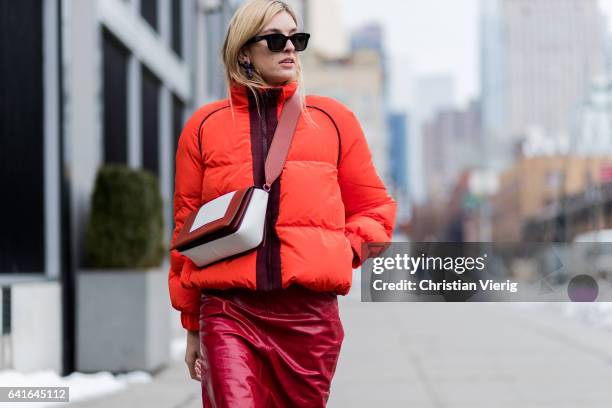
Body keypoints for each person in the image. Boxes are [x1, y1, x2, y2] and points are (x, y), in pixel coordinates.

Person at [168, 0, 397, 406]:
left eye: (297, 39)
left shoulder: (333, 120)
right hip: (230, 313)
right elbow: (186, 232)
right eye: (276, 40)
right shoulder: (204, 128)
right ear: (244, 51)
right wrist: (192, 324)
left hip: (308, 320)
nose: (290, 48)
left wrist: (343, 251)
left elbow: (375, 209)